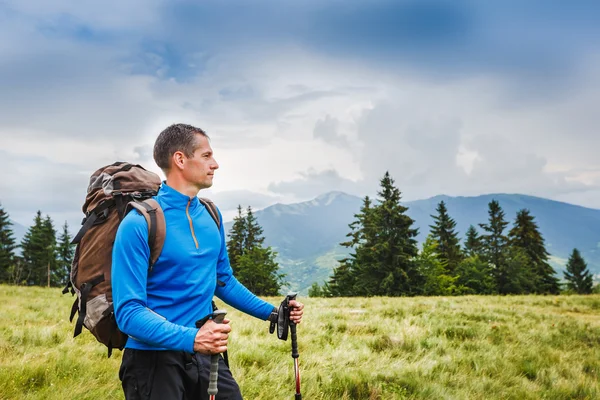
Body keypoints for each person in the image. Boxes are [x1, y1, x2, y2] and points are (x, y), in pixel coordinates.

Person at [112, 123, 304, 399]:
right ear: (180, 159)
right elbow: (128, 312)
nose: (215, 164)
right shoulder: (139, 223)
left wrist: (274, 313)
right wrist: (192, 338)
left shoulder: (211, 215)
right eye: (206, 156)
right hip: (153, 361)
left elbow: (222, 280)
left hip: (205, 355)